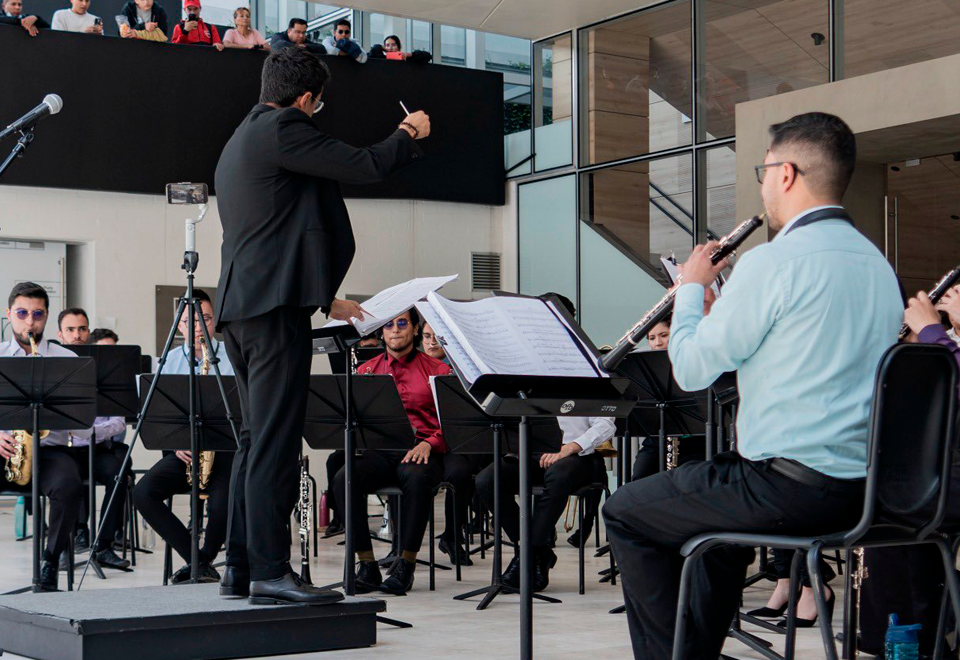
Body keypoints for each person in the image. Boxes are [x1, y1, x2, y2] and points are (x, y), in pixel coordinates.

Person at [602, 111, 903, 659]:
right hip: (862, 489)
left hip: (785, 487)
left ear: (785, 173)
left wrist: (692, 290)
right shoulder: (878, 265)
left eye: (763, 171)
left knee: (626, 511)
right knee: (716, 544)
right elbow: (804, 357)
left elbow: (692, 370)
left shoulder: (774, 260)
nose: (762, 184)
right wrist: (720, 315)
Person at [213, 47, 429, 605]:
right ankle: (268, 570)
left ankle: (240, 568)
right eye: (319, 103)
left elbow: (275, 230)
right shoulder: (286, 127)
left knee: (255, 439)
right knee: (275, 445)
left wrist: (324, 298)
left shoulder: (242, 137)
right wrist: (407, 133)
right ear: (306, 99)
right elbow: (365, 165)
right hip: (270, 315)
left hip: (246, 308)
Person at [476, 293, 615, 592]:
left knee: (560, 473)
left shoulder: (589, 365)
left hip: (578, 457)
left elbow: (606, 421)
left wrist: (573, 447)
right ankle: (536, 552)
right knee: (488, 479)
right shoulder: (521, 364)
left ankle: (526, 557)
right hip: (531, 453)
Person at [0, 283, 127, 591]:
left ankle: (50, 563)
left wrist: (64, 416)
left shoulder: (67, 358)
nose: (30, 322)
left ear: (46, 316)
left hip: (51, 451)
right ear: (9, 314)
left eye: (37, 314)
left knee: (69, 486)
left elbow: (84, 426)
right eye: (22, 313)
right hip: (6, 448)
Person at [855, 290, 960, 656]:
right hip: (943, 471)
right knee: (895, 504)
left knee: (898, 505)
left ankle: (910, 639)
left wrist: (934, 332)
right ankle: (909, 637)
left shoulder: (943, 341)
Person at [332, 309, 453, 594]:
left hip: (424, 451)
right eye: (389, 326)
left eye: (402, 323)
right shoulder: (366, 371)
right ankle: (368, 565)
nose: (395, 330)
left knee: (416, 477)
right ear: (381, 332)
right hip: (381, 451)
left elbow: (453, 424)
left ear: (414, 329)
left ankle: (405, 566)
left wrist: (430, 442)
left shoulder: (439, 371)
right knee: (343, 478)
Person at [134, 290, 235, 585]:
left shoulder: (234, 356)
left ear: (214, 320)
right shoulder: (167, 361)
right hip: (186, 453)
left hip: (226, 451)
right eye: (190, 321)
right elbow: (157, 417)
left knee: (224, 499)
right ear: (179, 326)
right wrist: (175, 442)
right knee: (143, 493)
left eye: (204, 318)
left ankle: (203, 560)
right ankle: (197, 560)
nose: (198, 326)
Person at [55, 307, 130, 564]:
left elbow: (119, 422)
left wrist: (92, 432)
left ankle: (104, 546)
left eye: (82, 329)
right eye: (71, 330)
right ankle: (65, 544)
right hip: (63, 448)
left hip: (97, 446)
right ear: (60, 334)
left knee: (119, 472)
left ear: (89, 331)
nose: (77, 335)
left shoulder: (108, 366)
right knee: (62, 478)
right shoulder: (51, 363)